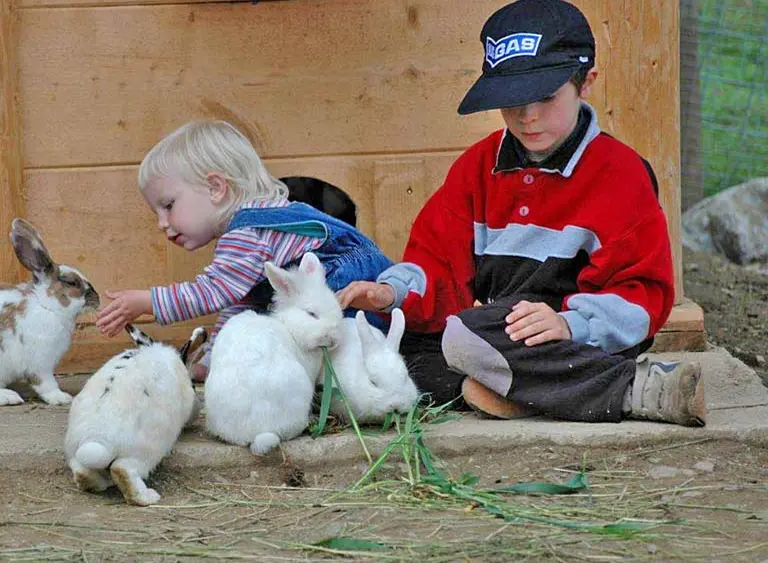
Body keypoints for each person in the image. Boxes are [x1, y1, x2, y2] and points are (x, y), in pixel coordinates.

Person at [337, 0, 705, 426]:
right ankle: (515, 391)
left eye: (546, 97)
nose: (528, 117)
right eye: (512, 101)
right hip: (496, 330)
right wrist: (393, 293)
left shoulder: (620, 174)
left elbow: (643, 295)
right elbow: (437, 261)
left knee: (464, 337)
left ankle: (634, 389)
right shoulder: (477, 166)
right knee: (394, 351)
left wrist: (569, 324)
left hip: (580, 339)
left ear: (586, 83)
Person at [95, 120, 394, 381]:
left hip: (351, 303)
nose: (162, 224)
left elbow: (212, 292)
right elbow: (238, 306)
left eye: (168, 205)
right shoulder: (257, 224)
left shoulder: (247, 232)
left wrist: (149, 302)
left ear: (215, 187)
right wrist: (214, 362)